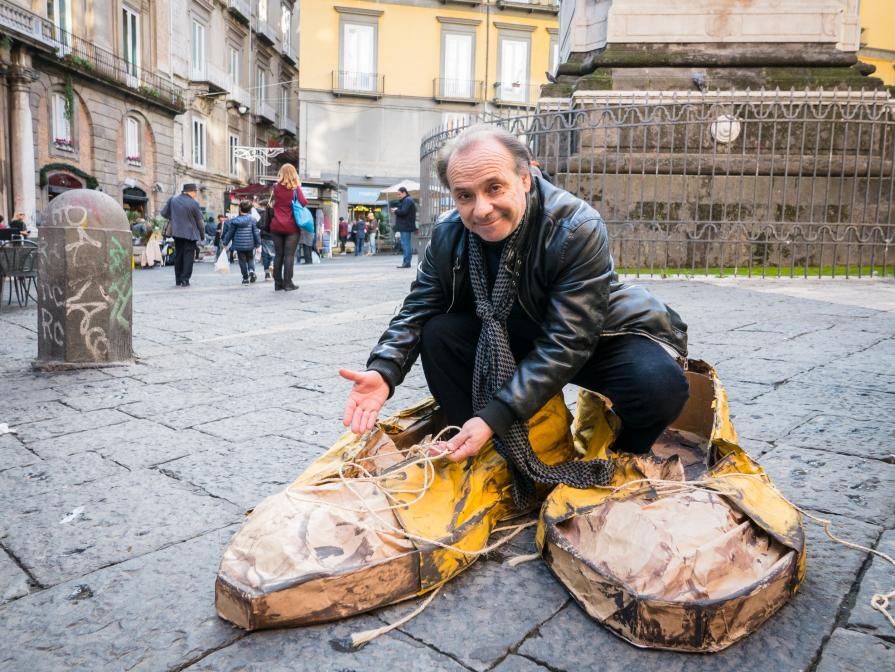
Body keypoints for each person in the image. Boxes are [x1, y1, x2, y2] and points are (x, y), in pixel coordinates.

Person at [339, 124, 689, 509]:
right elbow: (419, 308)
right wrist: (384, 371)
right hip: (508, 336)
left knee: (661, 384)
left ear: (525, 177)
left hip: (591, 336)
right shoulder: (448, 234)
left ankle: (626, 451)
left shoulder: (577, 227)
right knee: (438, 332)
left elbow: (567, 342)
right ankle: (480, 445)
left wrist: (497, 413)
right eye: (465, 196)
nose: (481, 209)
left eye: (494, 188)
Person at [269, 164, 307, 292]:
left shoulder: (275, 187)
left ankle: (277, 283)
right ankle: (288, 283)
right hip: (291, 227)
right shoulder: (296, 189)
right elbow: (304, 202)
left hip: (276, 226)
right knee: (289, 256)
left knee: (278, 255)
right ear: (294, 174)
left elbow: (271, 203)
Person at [160, 184, 204, 287]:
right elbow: (200, 222)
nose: (196, 194)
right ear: (191, 192)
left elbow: (163, 213)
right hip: (190, 234)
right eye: (195, 192)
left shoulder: (172, 200)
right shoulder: (194, 203)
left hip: (177, 233)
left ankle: (178, 280)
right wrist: (202, 236)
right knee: (188, 257)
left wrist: (174, 216)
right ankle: (185, 279)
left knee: (179, 255)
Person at [221, 200, 262, 285]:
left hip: (239, 245)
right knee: (250, 258)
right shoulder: (253, 220)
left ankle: (245, 278)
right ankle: (251, 270)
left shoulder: (234, 221)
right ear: (249, 210)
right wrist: (258, 245)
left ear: (240, 209)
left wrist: (225, 243)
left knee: (242, 261)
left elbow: (230, 233)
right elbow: (256, 233)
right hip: (250, 244)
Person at [391, 186, 416, 268]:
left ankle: (407, 263)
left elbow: (403, 212)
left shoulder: (407, 200)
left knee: (406, 245)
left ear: (404, 193)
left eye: (399, 194)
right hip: (405, 226)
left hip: (405, 226)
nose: (398, 196)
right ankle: (406, 262)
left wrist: (395, 211)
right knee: (405, 244)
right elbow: (404, 211)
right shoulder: (407, 200)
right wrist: (397, 209)